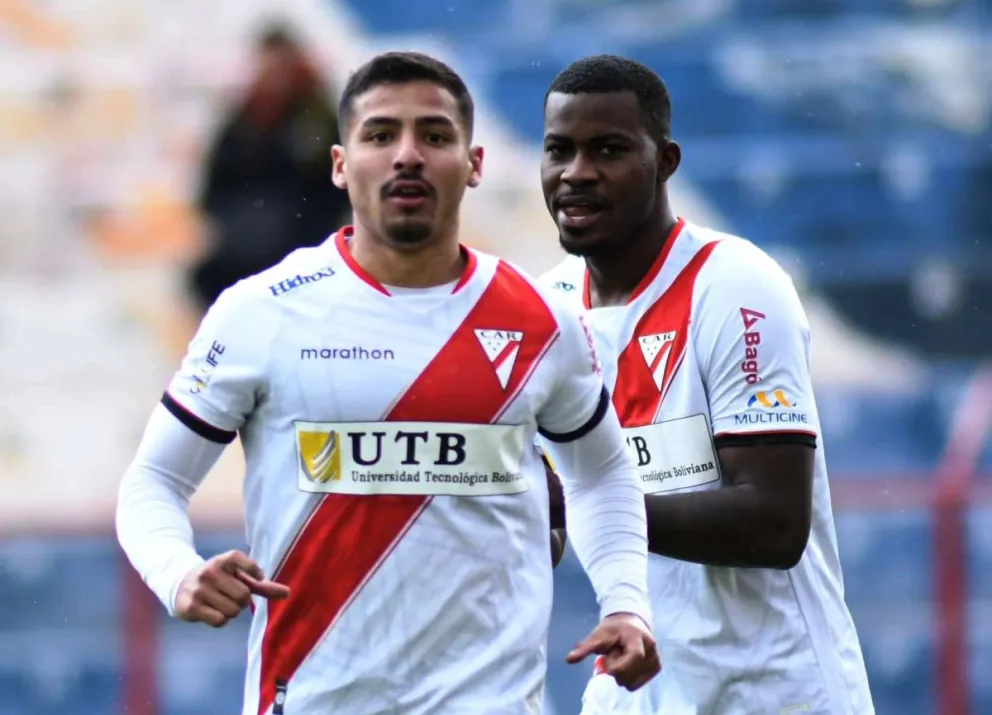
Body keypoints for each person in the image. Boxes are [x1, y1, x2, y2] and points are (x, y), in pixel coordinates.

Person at [116, 51, 661, 715]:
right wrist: (179, 573)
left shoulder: (544, 322)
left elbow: (602, 473)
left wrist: (627, 602)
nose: (408, 155)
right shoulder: (262, 313)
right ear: (342, 165)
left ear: (474, 164)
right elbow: (153, 483)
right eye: (381, 135)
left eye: (434, 135)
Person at [538, 55, 875, 715]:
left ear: (665, 161)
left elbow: (775, 521)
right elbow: (540, 519)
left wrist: (592, 504)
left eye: (608, 149)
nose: (577, 173)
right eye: (559, 150)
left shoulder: (737, 286)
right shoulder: (543, 310)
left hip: (774, 693)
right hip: (633, 692)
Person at [189, 21, 351, 313]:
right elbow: (214, 188)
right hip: (244, 249)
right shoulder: (246, 118)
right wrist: (245, 225)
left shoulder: (319, 118)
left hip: (302, 246)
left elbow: (336, 191)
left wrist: (294, 228)